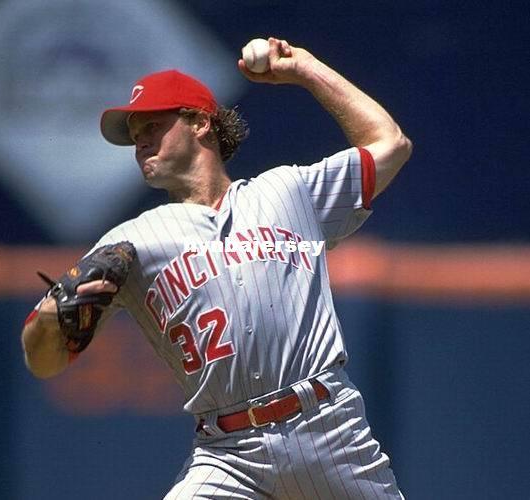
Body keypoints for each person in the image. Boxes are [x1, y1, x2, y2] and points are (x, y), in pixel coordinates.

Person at [22, 37, 412, 499]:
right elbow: (43, 361)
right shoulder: (131, 243)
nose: (140, 141)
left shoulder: (288, 192)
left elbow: (391, 144)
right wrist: (52, 315)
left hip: (326, 425)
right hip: (228, 453)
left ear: (201, 123)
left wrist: (306, 69)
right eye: (134, 134)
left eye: (153, 125)